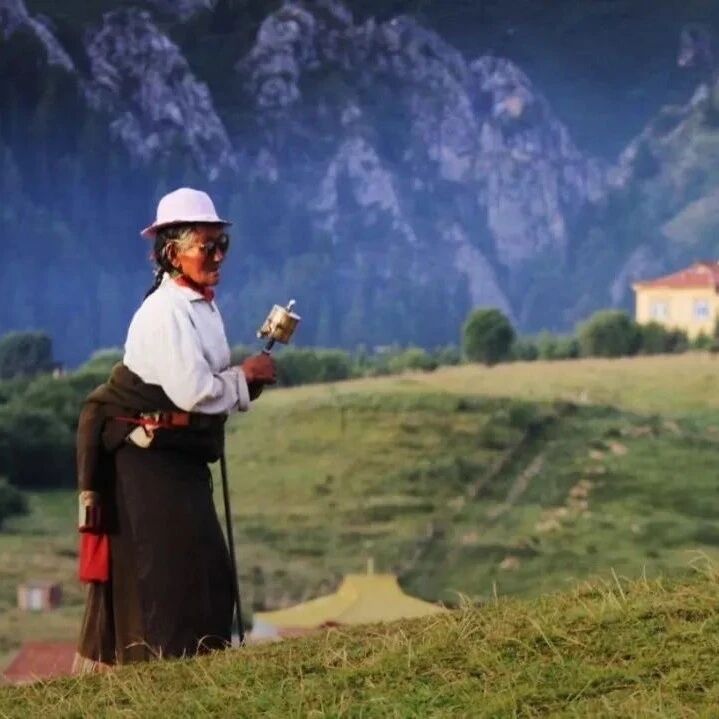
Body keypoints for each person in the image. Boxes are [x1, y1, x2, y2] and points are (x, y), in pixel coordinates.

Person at [73, 187, 276, 672]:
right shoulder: (164, 312)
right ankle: (161, 674)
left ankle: (197, 668)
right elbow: (194, 392)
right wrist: (244, 377)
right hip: (147, 460)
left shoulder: (200, 306)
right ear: (172, 252)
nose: (218, 256)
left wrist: (242, 382)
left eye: (222, 244)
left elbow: (206, 386)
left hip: (177, 455)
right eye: (207, 246)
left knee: (205, 568)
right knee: (167, 571)